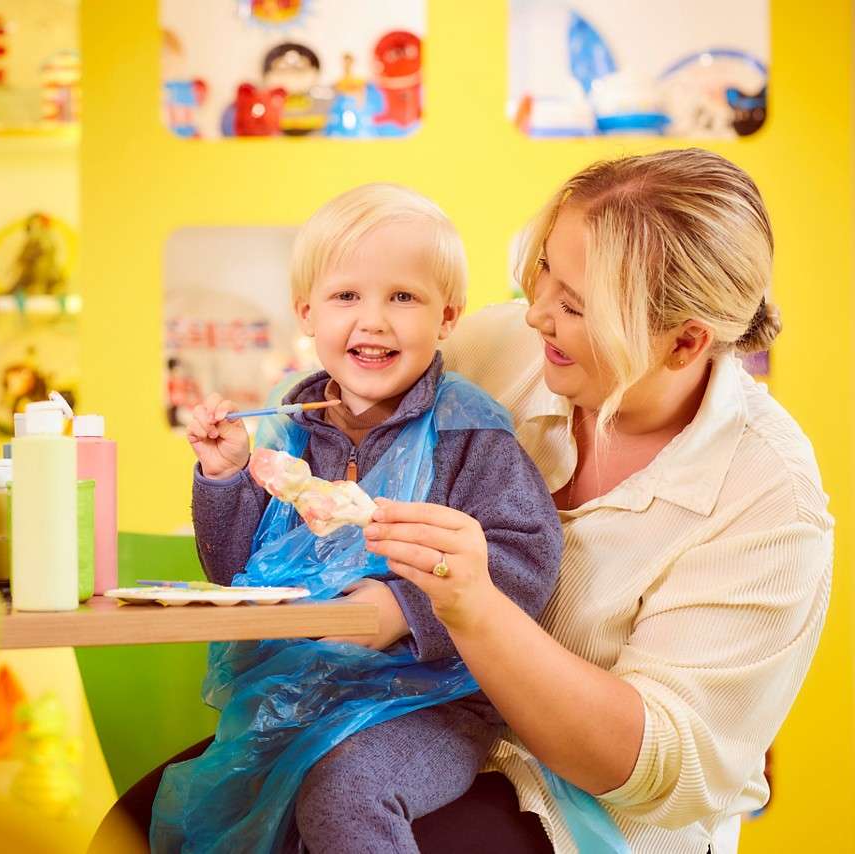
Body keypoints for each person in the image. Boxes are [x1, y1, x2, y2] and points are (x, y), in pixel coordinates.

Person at [94, 149, 833, 854]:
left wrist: (460, 606)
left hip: (584, 804)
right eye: (542, 273)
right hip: (369, 706)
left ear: (683, 342)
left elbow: (661, 771)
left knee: (337, 812)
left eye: (575, 306)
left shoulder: (770, 503)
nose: (537, 314)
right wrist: (243, 473)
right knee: (140, 823)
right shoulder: (501, 348)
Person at [163, 183, 563, 852]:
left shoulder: (471, 434)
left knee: (345, 793)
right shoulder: (288, 432)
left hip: (433, 701)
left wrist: (405, 608)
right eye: (347, 296)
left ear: (448, 318)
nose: (373, 321)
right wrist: (227, 474)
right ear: (308, 315)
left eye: (402, 297)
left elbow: (525, 562)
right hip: (303, 693)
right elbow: (239, 572)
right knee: (203, 810)